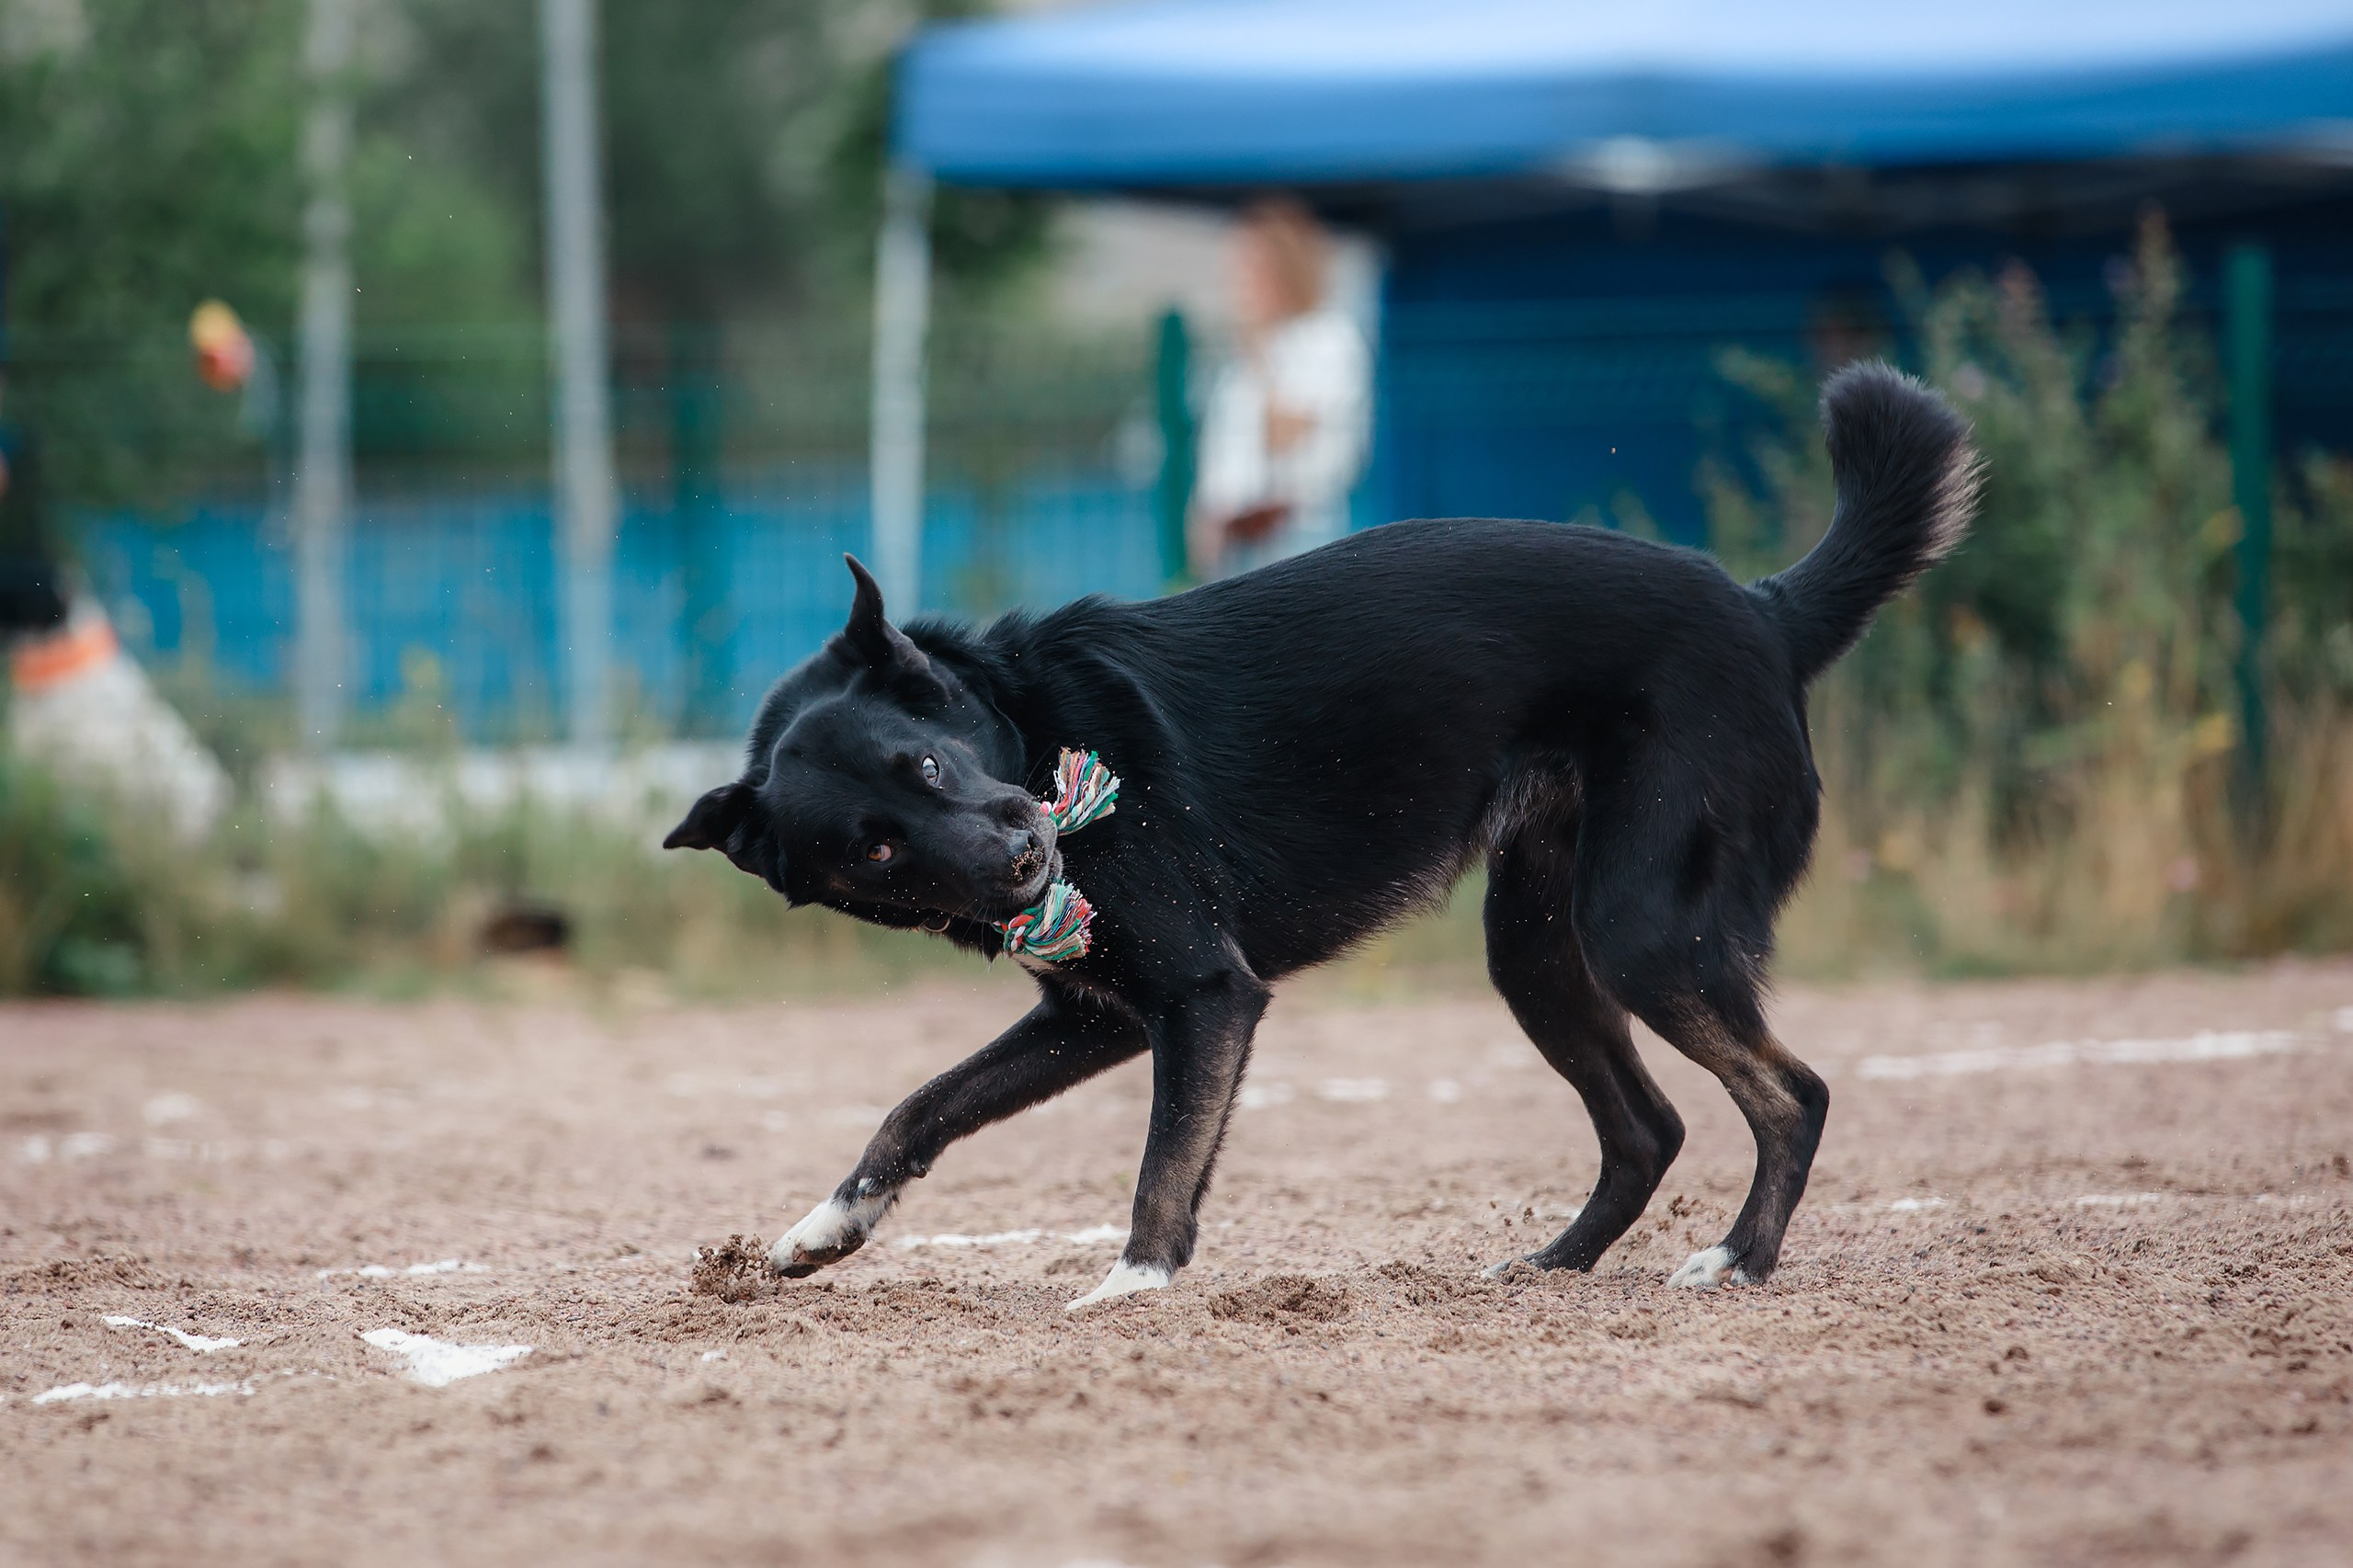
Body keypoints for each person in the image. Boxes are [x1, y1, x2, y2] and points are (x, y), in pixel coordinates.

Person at [1188, 199, 1370, 579]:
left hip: (1299, 538)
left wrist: (1258, 353)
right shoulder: (1242, 362)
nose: (1239, 285)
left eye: (1250, 268)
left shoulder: (1327, 339)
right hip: (1239, 545)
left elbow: (1286, 436)